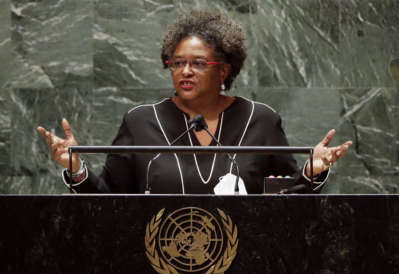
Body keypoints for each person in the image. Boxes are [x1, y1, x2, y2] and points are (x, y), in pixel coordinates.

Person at [37, 11, 352, 194]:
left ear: (224, 70)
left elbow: (284, 198)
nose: (185, 71)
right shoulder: (141, 121)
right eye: (176, 63)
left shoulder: (260, 119)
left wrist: (313, 171)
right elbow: (110, 198)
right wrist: (76, 169)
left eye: (198, 63)